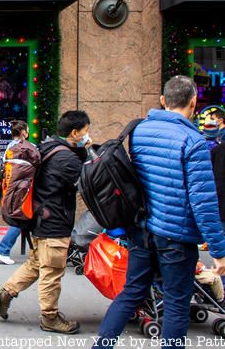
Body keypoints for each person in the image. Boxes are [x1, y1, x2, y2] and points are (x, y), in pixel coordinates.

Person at [92, 76, 225, 349]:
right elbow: (203, 201)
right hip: (176, 236)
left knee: (131, 293)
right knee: (176, 302)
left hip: (142, 230)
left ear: (163, 101)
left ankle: (101, 346)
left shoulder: (139, 130)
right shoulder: (194, 141)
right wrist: (218, 250)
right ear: (193, 102)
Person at [0, 110, 91, 334]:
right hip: (54, 220)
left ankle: (4, 294)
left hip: (40, 217)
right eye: (85, 131)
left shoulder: (49, 146)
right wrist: (88, 152)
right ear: (75, 132)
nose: (87, 135)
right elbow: (88, 181)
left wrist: (81, 149)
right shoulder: (66, 159)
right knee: (52, 270)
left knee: (37, 263)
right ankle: (50, 317)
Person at [0, 120, 31, 265]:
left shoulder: (10, 146)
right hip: (20, 189)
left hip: (11, 188)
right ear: (23, 133)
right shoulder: (23, 148)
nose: (28, 132)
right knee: (21, 218)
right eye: (27, 130)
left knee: (21, 218)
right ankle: (3, 249)